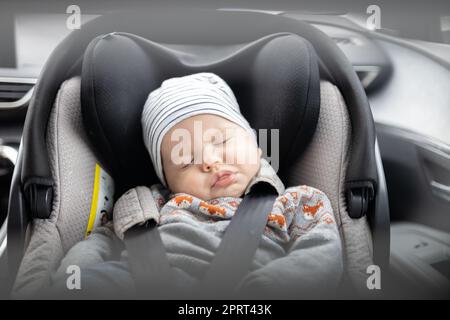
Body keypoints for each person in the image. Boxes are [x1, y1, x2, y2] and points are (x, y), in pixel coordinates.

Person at [50, 72, 343, 299]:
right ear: (168, 180)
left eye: (223, 141)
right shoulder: (150, 206)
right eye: (186, 159)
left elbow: (321, 252)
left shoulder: (298, 201)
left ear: (256, 145)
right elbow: (101, 242)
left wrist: (271, 286)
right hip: (143, 281)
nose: (210, 162)